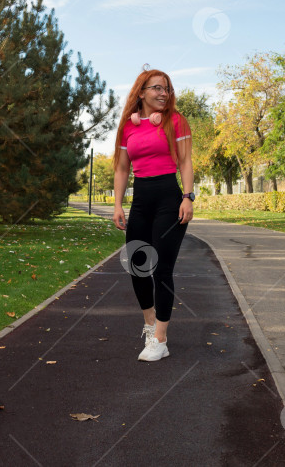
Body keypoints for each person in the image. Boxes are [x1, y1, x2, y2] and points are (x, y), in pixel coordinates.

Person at [112, 67, 195, 362]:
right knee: (137, 265)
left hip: (169, 199)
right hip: (141, 199)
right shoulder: (128, 126)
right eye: (157, 88)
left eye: (166, 88)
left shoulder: (176, 121)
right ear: (142, 92)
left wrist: (187, 196)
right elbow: (122, 168)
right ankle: (149, 324)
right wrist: (118, 204)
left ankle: (161, 339)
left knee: (161, 268)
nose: (163, 93)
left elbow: (185, 162)